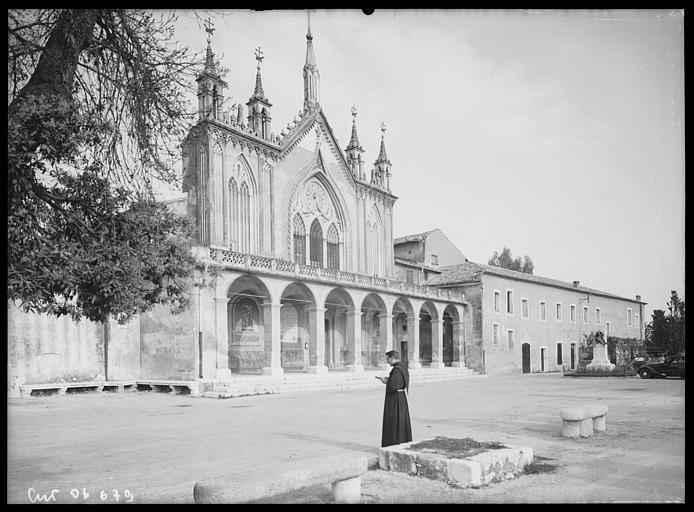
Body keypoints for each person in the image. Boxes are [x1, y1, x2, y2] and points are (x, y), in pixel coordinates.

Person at [376, 350, 412, 447]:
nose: (387, 361)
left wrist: (386, 381)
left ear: (392, 358)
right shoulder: (403, 367)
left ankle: (394, 443)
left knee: (394, 421)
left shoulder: (396, 370)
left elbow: (394, 386)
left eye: (387, 359)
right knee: (401, 421)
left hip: (395, 399)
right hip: (401, 398)